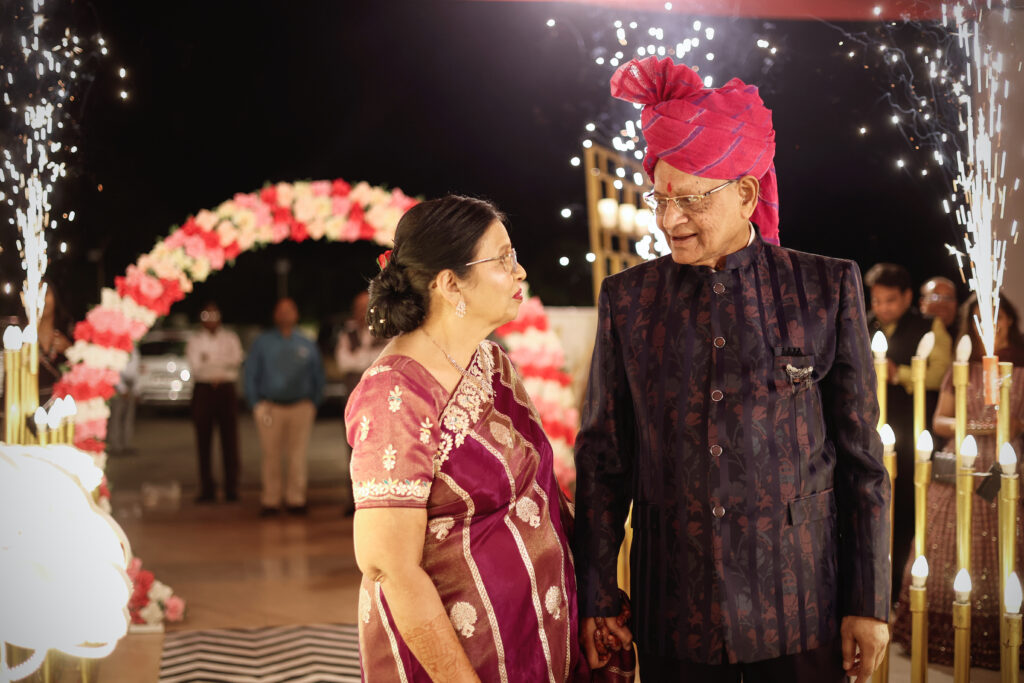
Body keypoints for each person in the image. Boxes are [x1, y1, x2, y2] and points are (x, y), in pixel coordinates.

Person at [574, 56, 891, 683]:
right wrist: (598, 594)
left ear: (746, 193)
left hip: (800, 605)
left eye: (690, 201)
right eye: (661, 198)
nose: (669, 220)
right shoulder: (629, 300)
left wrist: (869, 602)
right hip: (674, 609)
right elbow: (604, 460)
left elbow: (862, 462)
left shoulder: (825, 288)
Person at [345, 195, 630, 682]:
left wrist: (593, 599)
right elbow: (391, 568)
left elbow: (542, 491)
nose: (520, 272)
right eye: (502, 259)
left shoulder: (491, 363)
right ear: (450, 282)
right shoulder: (395, 394)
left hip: (536, 637)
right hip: (462, 661)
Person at [892, 292, 1024, 669]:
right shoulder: (963, 367)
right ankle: (942, 632)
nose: (991, 325)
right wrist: (981, 425)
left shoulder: (1020, 366)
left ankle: (1004, 633)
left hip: (1005, 464)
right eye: (982, 319)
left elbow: (1018, 423)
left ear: (1009, 320)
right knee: (948, 540)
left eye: (997, 317)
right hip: (960, 462)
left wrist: (1010, 426)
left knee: (1005, 540)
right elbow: (940, 421)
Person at [865, 263, 952, 604]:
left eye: (890, 300)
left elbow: (942, 375)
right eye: (876, 300)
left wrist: (898, 373)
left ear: (907, 297)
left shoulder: (930, 327)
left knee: (907, 508)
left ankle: (902, 593)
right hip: (870, 434)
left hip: (913, 433)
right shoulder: (865, 325)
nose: (882, 308)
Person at [244, 298, 324, 516]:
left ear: (296, 314)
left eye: (290, 311)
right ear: (275, 315)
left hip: (301, 406)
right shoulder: (263, 342)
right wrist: (255, 403)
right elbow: (250, 372)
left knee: (297, 455)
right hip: (270, 407)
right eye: (281, 311)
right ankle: (271, 500)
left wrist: (314, 402)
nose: (285, 315)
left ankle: (296, 499)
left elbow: (318, 373)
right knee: (271, 455)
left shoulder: (306, 342)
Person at [185, 302, 244, 503]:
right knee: (203, 441)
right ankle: (207, 488)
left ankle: (231, 488)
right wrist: (220, 364)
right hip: (203, 390)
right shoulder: (195, 340)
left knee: (230, 440)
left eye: (214, 315)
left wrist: (209, 361)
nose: (210, 320)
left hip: (226, 390)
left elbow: (236, 361)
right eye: (206, 316)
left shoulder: (230, 338)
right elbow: (196, 366)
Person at [108, 346, 140, 455]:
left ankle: (127, 444)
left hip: (131, 384)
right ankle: (115, 446)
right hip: (119, 385)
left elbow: (136, 368)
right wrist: (122, 388)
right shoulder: (117, 347)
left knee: (128, 417)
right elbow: (114, 369)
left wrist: (136, 389)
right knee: (116, 417)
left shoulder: (134, 349)